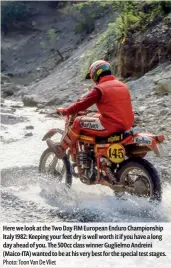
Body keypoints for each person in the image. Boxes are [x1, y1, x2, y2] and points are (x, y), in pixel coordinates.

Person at [51, 60, 134, 158]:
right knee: (92, 116)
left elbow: (81, 105)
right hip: (127, 124)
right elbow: (113, 107)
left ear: (95, 74)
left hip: (111, 126)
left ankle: (61, 148)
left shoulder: (99, 89)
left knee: (78, 121)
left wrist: (65, 111)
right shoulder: (122, 85)